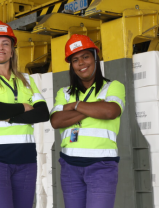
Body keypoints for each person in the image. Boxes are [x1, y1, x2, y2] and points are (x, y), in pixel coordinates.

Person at [0, 20, 49, 208]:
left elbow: (43, 114)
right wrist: (24, 106)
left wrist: (6, 114)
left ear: (12, 50)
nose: (1, 48)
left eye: (6, 43)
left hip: (26, 159)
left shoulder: (27, 80)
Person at [50, 34, 125, 208]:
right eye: (75, 60)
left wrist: (74, 106)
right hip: (70, 166)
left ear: (95, 57)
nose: (81, 63)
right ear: (72, 66)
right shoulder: (65, 93)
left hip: (102, 166)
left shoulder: (113, 87)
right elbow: (56, 121)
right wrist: (91, 107)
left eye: (85, 57)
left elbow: (110, 111)